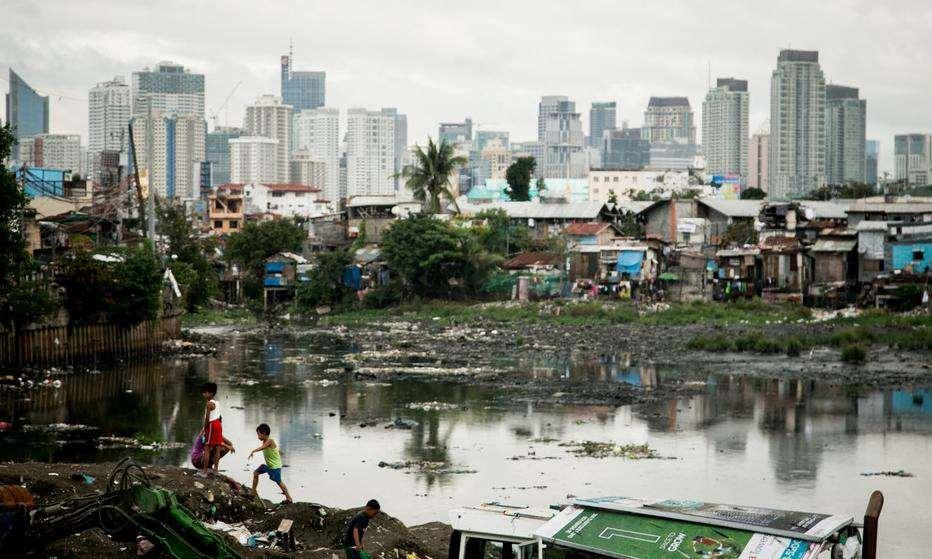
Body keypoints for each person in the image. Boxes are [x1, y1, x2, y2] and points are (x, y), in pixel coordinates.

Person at [249, 423, 293, 503]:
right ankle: (253, 493)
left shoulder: (270, 441)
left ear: (264, 433)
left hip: (275, 467)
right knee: (256, 473)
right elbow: (275, 449)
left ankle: (289, 498)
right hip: (269, 466)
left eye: (259, 434)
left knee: (279, 482)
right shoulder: (267, 441)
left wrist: (254, 451)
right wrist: (280, 452)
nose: (258, 437)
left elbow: (263, 447)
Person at [199, 382, 223, 477]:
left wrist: (205, 429)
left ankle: (204, 472)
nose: (203, 394)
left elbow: (207, 418)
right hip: (218, 424)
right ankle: (215, 471)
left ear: (211, 393)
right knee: (217, 448)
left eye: (205, 392)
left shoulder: (209, 404)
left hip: (212, 424)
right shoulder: (217, 402)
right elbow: (218, 415)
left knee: (207, 448)